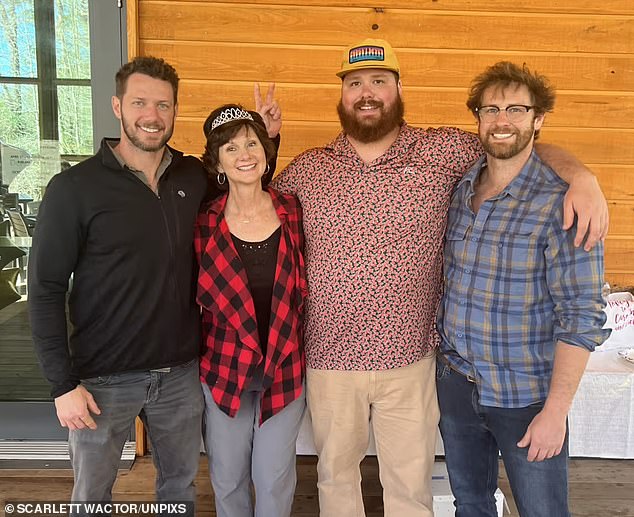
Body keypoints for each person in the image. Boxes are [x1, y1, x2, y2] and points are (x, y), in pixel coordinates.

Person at [270, 38, 609, 517]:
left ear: (398, 88)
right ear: (343, 94)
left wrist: (582, 177)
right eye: (355, 83)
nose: (367, 93)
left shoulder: (444, 150)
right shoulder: (307, 168)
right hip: (330, 360)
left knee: (409, 490)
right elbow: (255, 209)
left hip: (412, 360)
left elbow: (513, 146)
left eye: (379, 82)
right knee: (334, 479)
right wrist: (266, 145)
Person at [28, 56, 207, 511]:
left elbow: (249, 181)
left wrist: (270, 138)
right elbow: (45, 287)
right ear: (117, 106)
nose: (152, 116)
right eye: (140, 102)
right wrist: (61, 384)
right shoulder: (74, 188)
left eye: (163, 105)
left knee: (179, 489)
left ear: (174, 110)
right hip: (102, 377)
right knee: (92, 497)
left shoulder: (193, 177)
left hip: (180, 373)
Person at [436, 62, 609, 517]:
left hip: (525, 397)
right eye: (490, 109)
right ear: (477, 117)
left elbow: (582, 315)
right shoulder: (462, 188)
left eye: (516, 109)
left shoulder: (563, 203)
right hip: (457, 384)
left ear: (538, 119)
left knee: (543, 511)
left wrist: (555, 414)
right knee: (470, 504)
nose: (502, 120)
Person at [195, 104, 308, 517]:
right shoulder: (205, 221)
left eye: (252, 143)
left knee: (274, 479)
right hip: (225, 369)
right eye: (231, 148)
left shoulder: (292, 210)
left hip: (284, 367)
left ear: (266, 151)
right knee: (228, 479)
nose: (244, 154)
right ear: (218, 161)